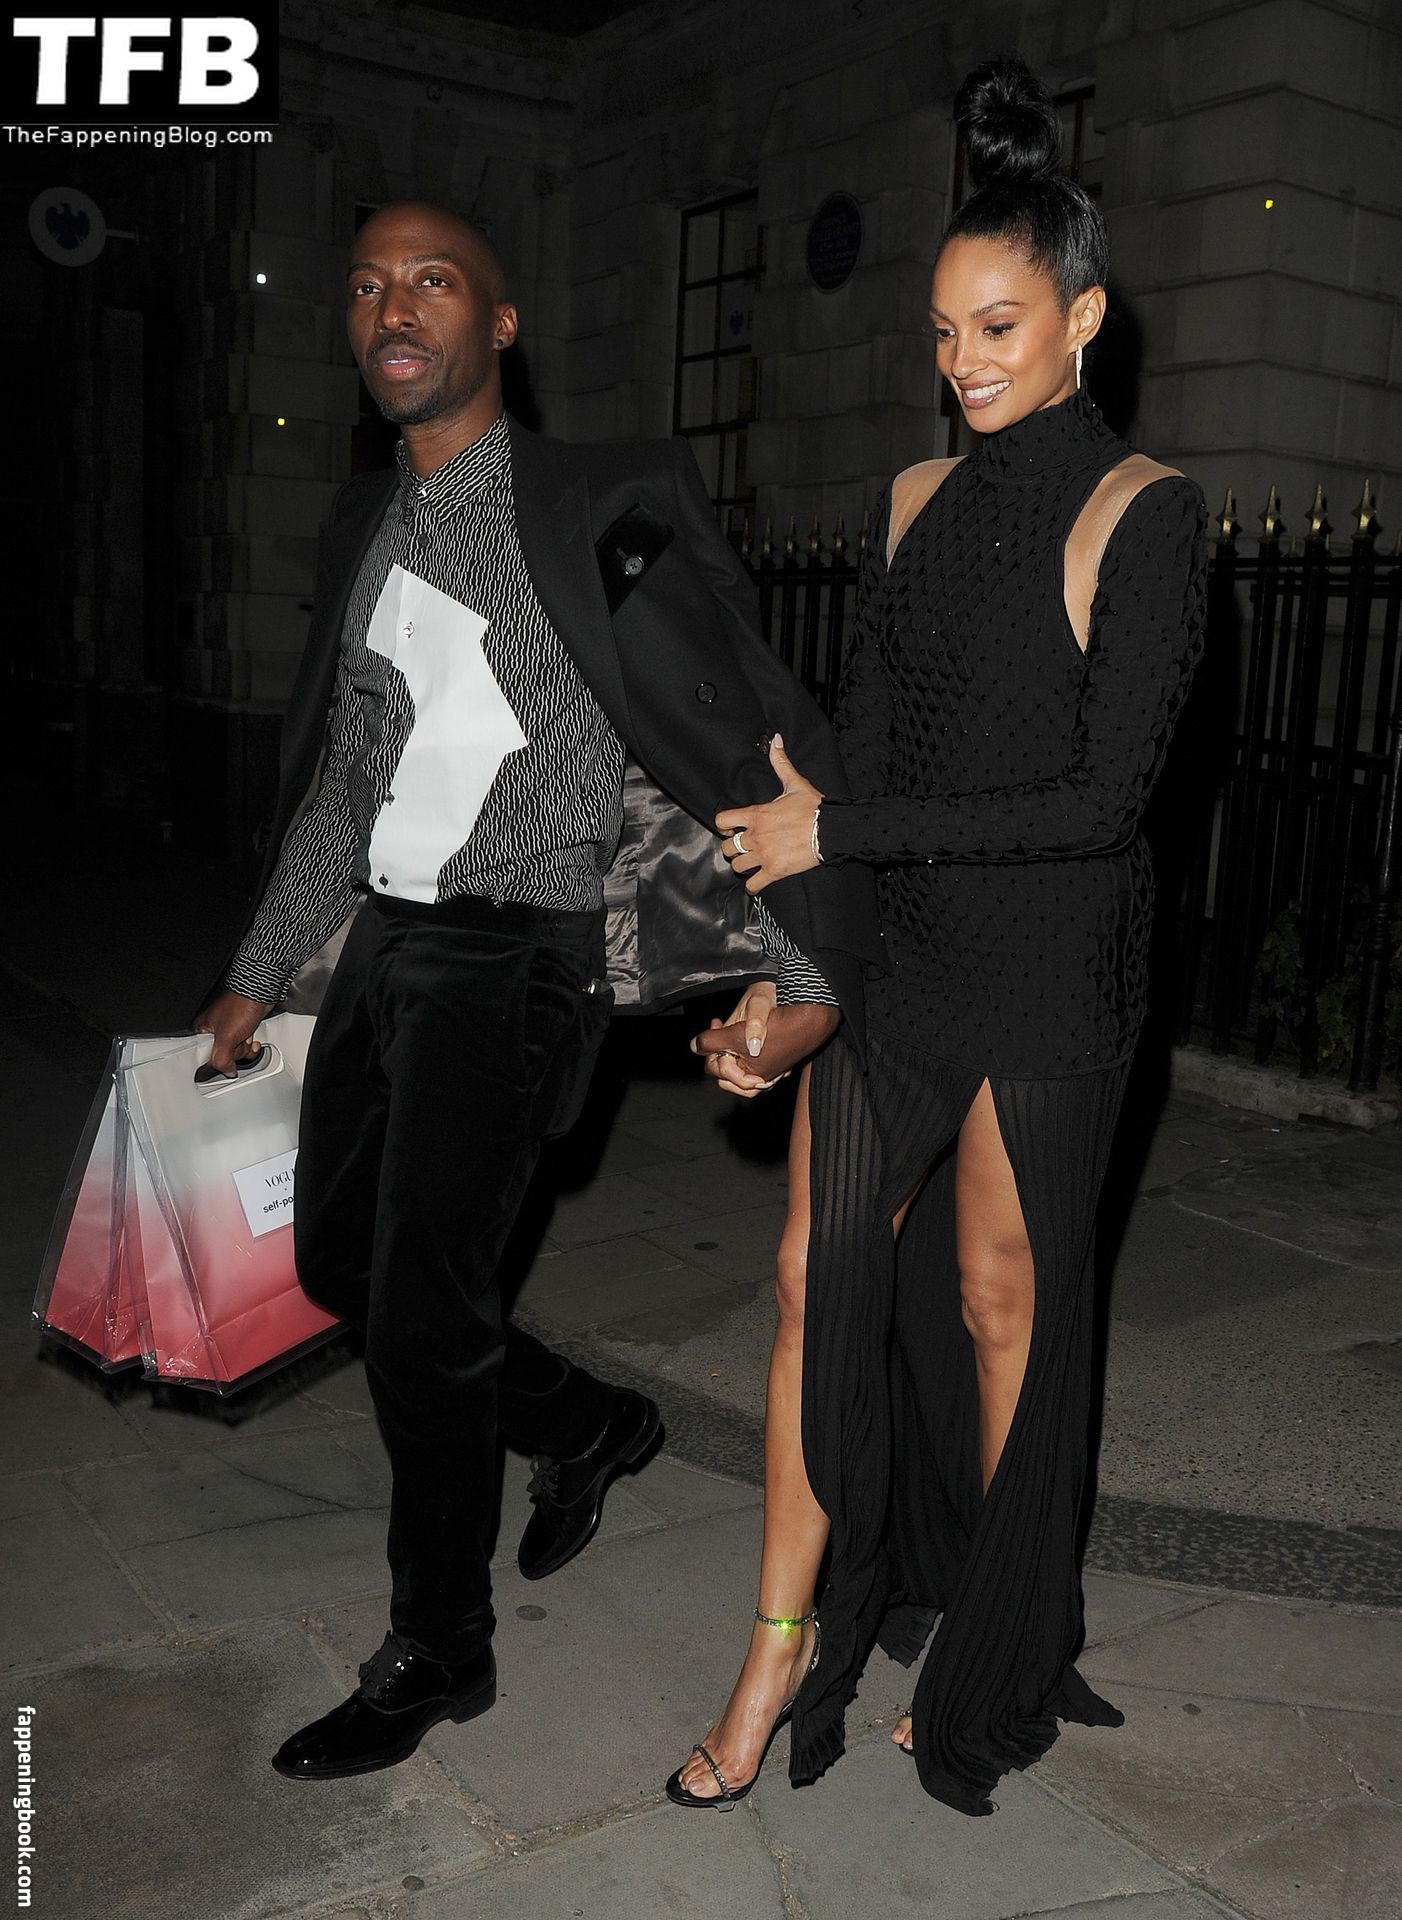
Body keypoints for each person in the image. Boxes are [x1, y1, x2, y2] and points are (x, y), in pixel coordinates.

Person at [195, 200, 880, 1782]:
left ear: (498, 323)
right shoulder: (365, 529)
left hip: (518, 954)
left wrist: (809, 970)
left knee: (424, 1308)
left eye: (431, 281)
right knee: (343, 1269)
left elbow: (734, 721)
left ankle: (441, 1647)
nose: (393, 309)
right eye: (367, 285)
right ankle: (587, 1425)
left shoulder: (590, 508)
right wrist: (255, 970)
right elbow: (341, 780)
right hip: (386, 943)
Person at [670, 55, 1208, 1817]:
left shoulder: (1145, 514)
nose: (962, 360)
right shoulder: (912, 503)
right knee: (811, 1278)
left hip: (1055, 968)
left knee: (996, 1303)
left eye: (997, 326)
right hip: (903, 956)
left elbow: (1097, 801)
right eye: (942, 332)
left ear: (1081, 321)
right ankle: (779, 1644)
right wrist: (793, 977)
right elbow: (857, 757)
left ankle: (997, 1637)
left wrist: (843, 828)